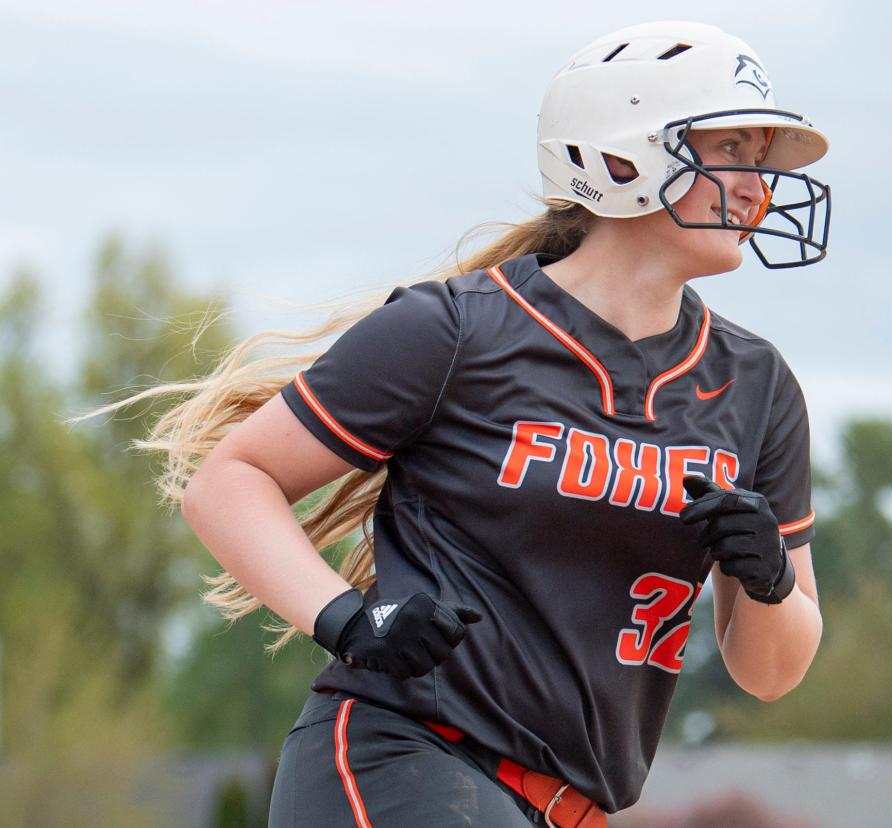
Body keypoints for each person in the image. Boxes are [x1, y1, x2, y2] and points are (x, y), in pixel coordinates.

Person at [165, 19, 831, 827]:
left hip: (562, 808)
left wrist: (769, 583)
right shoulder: (457, 330)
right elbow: (230, 480)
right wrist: (347, 618)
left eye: (762, 161)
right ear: (625, 156)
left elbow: (771, 673)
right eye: (732, 152)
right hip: (405, 756)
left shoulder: (757, 386)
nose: (759, 186)